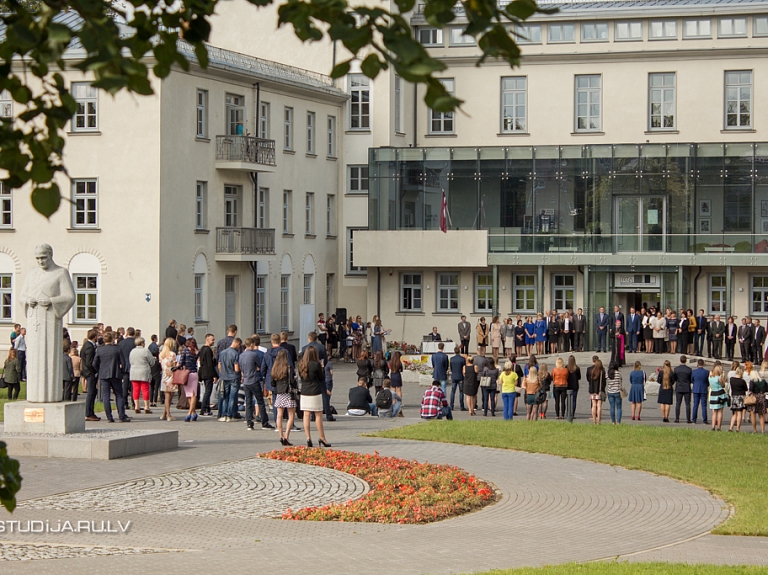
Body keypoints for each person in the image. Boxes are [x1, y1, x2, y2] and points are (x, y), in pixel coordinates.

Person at [297, 346, 331, 447]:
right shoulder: (316, 364)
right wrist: (322, 367)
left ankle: (308, 438)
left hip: (304, 391)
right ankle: (322, 438)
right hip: (315, 391)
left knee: (306, 415)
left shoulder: (301, 364)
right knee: (318, 416)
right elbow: (321, 378)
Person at [93, 332, 130, 423]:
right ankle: (121, 415)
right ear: (112, 339)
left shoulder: (99, 349)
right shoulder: (117, 349)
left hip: (104, 375)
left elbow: (94, 363)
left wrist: (99, 370)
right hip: (116, 373)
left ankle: (109, 417)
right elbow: (123, 362)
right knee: (119, 395)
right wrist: (121, 370)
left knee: (106, 396)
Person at [240, 336, 273, 430]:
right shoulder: (254, 355)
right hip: (254, 380)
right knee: (260, 401)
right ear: (251, 344)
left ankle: (249, 422)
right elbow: (259, 365)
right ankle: (264, 422)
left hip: (246, 380)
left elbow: (241, 367)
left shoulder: (241, 355)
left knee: (248, 401)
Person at [272, 349, 297, 445]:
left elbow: (272, 382)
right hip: (288, 393)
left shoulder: (275, 368)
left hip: (279, 393)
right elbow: (292, 381)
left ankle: (281, 436)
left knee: (279, 415)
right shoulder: (289, 368)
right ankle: (286, 436)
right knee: (291, 416)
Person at [129, 336, 155, 415]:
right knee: (145, 389)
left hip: (134, 371)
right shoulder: (145, 351)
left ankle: (137, 406)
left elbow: (130, 361)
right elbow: (152, 362)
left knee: (136, 389)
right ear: (142, 343)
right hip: (144, 371)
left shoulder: (132, 351)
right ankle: (146, 406)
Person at [217, 338, 241, 422]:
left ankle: (223, 415)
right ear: (236, 344)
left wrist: (222, 373)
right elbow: (236, 369)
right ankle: (229, 415)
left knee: (225, 396)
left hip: (224, 377)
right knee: (232, 397)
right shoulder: (235, 353)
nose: (239, 347)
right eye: (239, 345)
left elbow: (219, 365)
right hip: (233, 377)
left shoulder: (222, 352)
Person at [177, 338, 200, 422]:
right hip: (194, 373)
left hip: (186, 373)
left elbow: (181, 362)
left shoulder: (185, 350)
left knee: (189, 394)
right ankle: (193, 413)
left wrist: (177, 367)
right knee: (193, 394)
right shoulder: (197, 351)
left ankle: (189, 413)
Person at [117, 327, 137, 410]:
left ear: (127, 333)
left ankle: (125, 403)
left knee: (125, 386)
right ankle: (134, 403)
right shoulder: (136, 343)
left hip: (124, 366)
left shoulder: (121, 343)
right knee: (134, 386)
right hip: (134, 366)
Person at [197, 333, 217, 417]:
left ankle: (207, 409)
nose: (213, 341)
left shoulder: (202, 349)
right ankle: (203, 409)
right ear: (207, 340)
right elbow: (210, 364)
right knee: (208, 392)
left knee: (207, 391)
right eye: (212, 340)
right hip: (208, 373)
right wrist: (214, 375)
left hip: (203, 373)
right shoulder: (208, 350)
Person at [749, 361, 768, 434]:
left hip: (754, 398)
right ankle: (763, 430)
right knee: (761, 415)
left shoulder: (752, 381)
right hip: (762, 397)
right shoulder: (763, 381)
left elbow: (751, 390)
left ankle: (755, 430)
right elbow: (766, 389)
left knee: (753, 415)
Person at [728, 365, 748, 432]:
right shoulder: (742, 381)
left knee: (734, 413)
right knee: (739, 413)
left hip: (734, 396)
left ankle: (731, 427)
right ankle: (738, 428)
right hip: (740, 397)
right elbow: (746, 389)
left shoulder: (731, 379)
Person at [673, 355, 693, 424]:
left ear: (680, 360)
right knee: (687, 404)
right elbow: (691, 379)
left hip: (679, 387)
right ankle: (688, 419)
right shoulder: (689, 369)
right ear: (686, 361)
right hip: (687, 387)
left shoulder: (676, 369)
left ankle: (677, 418)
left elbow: (674, 378)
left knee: (678, 403)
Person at [708, 365, 727, 431]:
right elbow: (723, 385)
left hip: (713, 393)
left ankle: (713, 426)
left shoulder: (710, 378)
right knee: (720, 412)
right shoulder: (719, 378)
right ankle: (719, 427)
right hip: (720, 394)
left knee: (714, 412)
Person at [691, 359, 710, 424]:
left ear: (697, 364)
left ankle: (694, 419)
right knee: (704, 405)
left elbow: (692, 380)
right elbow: (708, 381)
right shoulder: (707, 372)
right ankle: (705, 420)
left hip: (696, 389)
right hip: (704, 389)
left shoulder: (694, 372)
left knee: (695, 405)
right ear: (703, 364)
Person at [587, 358, 606, 424]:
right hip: (600, 390)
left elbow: (588, 379)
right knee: (599, 406)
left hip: (592, 390)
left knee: (593, 405)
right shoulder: (602, 371)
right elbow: (604, 382)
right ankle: (599, 420)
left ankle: (594, 419)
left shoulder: (591, 371)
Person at [605, 361, 623, 425]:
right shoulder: (618, 373)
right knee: (619, 407)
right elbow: (621, 381)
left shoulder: (608, 374)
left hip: (610, 392)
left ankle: (613, 421)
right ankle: (618, 421)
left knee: (612, 407)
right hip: (617, 391)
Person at [449, 346, 466, 411]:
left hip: (454, 376)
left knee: (453, 391)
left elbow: (451, 368)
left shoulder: (452, 359)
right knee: (461, 392)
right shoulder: (462, 359)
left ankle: (451, 405)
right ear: (459, 351)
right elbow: (464, 368)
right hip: (460, 376)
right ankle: (462, 406)